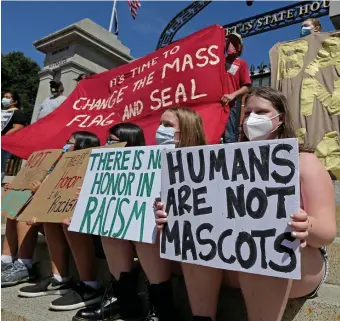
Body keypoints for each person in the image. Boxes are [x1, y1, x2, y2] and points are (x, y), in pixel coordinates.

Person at [155, 87, 336, 321]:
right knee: (196, 230)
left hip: (298, 262)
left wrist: (306, 225)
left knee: (261, 240)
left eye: (261, 111)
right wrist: (175, 215)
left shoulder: (305, 161)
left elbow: (327, 233)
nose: (252, 118)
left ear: (280, 119)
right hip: (229, 262)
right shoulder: (221, 160)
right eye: (248, 112)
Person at [18, 131, 105, 312]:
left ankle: (90, 285)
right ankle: (58, 279)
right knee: (50, 219)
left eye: (70, 143)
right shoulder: (60, 169)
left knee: (67, 221)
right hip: (64, 224)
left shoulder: (97, 168)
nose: (66, 145)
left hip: (93, 231)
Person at [221, 33, 251, 144]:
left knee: (229, 137)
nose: (230, 45)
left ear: (239, 47)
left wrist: (232, 95)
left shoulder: (241, 64)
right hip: (215, 105)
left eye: (234, 43)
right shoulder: (218, 62)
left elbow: (247, 87)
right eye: (228, 42)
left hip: (231, 106)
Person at [1, 91, 27, 181]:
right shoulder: (3, 112)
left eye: (7, 97)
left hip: (4, 144)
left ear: (14, 101)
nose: (4, 99)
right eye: (4, 96)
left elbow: (18, 127)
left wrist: (3, 138)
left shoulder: (17, 113)